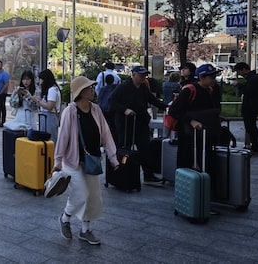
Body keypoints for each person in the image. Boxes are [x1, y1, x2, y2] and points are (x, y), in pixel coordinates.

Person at [53, 76, 120, 245]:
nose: (93, 90)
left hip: (92, 160)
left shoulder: (96, 109)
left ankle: (85, 230)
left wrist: (113, 157)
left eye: (92, 87)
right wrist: (58, 161)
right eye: (89, 88)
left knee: (91, 196)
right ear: (81, 92)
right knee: (81, 194)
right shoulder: (70, 111)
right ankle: (65, 218)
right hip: (73, 161)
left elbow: (106, 133)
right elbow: (63, 137)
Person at [108, 66, 167, 185]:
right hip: (126, 124)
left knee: (145, 149)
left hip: (140, 123)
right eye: (140, 75)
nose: (143, 78)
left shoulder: (143, 88)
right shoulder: (123, 87)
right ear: (133, 75)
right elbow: (111, 101)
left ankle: (148, 175)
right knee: (125, 150)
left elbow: (153, 100)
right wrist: (124, 109)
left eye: (145, 75)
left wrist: (166, 106)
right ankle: (121, 172)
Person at [168, 64, 222, 170]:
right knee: (186, 160)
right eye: (211, 77)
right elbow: (173, 111)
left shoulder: (210, 90)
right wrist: (191, 121)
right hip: (187, 133)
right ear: (201, 77)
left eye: (214, 77)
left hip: (203, 133)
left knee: (205, 159)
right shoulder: (189, 90)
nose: (213, 80)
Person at [233, 62, 258, 155]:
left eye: (239, 72)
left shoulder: (253, 79)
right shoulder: (252, 78)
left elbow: (248, 91)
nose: (239, 74)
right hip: (251, 106)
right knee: (250, 127)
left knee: (251, 127)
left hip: (251, 107)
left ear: (244, 69)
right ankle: (254, 146)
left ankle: (255, 148)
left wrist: (238, 85)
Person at [37, 69, 61, 142]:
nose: (40, 82)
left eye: (41, 79)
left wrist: (38, 101)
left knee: (50, 140)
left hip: (50, 117)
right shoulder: (48, 90)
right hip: (45, 116)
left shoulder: (52, 90)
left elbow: (50, 106)